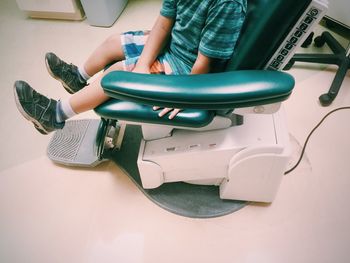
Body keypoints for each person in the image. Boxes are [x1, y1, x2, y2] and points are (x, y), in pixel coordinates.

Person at [14, 0, 247, 135]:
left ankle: (55, 114)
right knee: (113, 43)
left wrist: (184, 95)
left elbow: (203, 64)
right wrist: (144, 64)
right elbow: (164, 23)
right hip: (175, 43)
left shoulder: (227, 4)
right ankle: (77, 78)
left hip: (186, 68)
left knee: (117, 73)